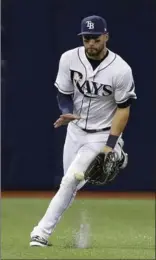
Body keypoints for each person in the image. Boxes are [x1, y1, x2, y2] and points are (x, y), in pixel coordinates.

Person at [30, 15, 137, 247]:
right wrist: (66, 110)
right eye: (86, 38)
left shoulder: (121, 69)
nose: (90, 43)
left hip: (101, 132)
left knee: (69, 180)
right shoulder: (69, 58)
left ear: (106, 36)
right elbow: (64, 93)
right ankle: (120, 155)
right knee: (70, 185)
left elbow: (123, 110)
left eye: (95, 38)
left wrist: (109, 144)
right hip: (76, 131)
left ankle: (40, 233)